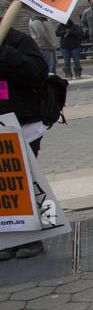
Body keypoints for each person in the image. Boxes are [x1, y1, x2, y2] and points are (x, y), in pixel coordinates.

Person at [0, 22, 54, 260]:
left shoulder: (16, 40)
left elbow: (37, 73)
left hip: (21, 124)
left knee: (21, 180)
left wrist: (4, 52)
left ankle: (31, 237)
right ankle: (8, 238)